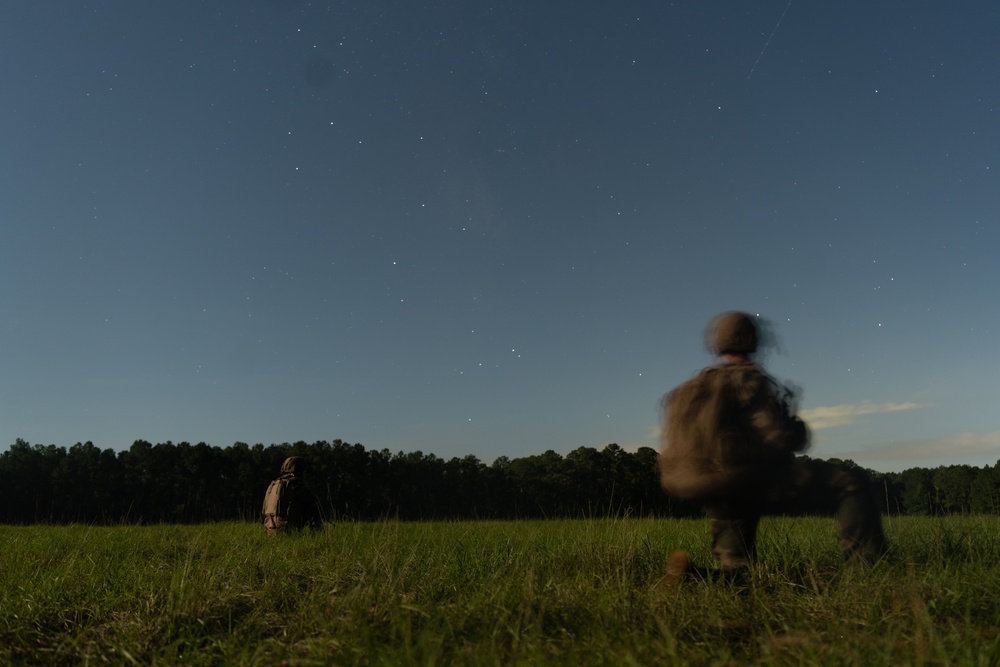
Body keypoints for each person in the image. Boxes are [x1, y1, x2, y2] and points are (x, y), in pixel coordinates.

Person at [657, 311, 886, 583]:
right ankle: (865, 576)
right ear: (751, 339)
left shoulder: (695, 387)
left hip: (716, 496)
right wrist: (796, 428)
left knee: (738, 572)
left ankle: (690, 578)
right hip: (751, 484)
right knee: (850, 482)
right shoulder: (748, 379)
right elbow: (779, 438)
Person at [261, 456, 324, 534]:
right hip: (289, 531)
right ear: (300, 471)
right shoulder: (298, 486)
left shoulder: (273, 485)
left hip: (269, 531)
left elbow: (263, 513)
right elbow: (314, 512)